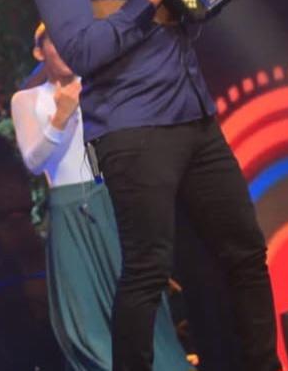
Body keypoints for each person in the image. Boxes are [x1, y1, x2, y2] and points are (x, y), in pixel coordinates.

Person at [22, 0, 282, 371]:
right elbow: (82, 52)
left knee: (245, 253)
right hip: (133, 129)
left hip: (193, 113)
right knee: (146, 273)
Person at [10, 24, 192, 371]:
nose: (65, 48)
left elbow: (112, 149)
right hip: (68, 210)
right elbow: (34, 162)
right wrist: (60, 117)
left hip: (110, 202)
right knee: (85, 318)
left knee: (142, 305)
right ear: (39, 51)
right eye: (55, 42)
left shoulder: (99, 86)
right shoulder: (27, 100)